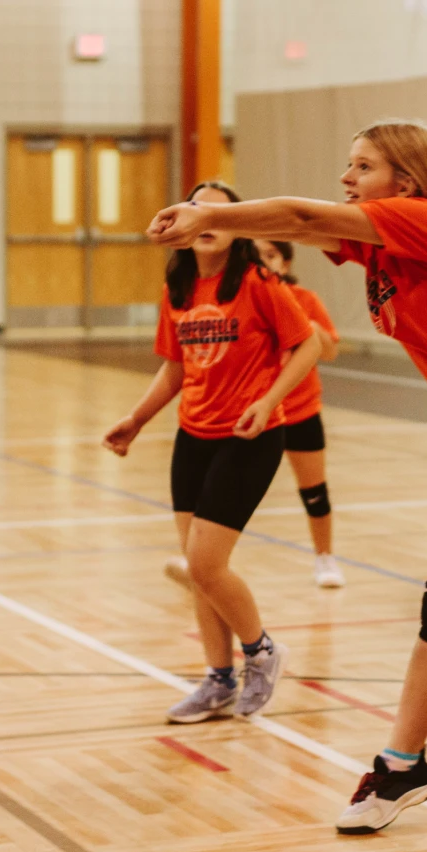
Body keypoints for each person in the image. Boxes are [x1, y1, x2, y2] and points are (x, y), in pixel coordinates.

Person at [146, 119, 427, 843]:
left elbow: (301, 218)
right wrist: (222, 228)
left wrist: (209, 215)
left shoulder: (425, 221)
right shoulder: (378, 245)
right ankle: (402, 764)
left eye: (362, 166)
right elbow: (299, 228)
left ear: (404, 180)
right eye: (348, 165)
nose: (346, 178)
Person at [104, 181, 322, 723]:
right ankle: (218, 679)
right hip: (193, 438)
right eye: (199, 209)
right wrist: (136, 419)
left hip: (249, 438)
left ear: (239, 226)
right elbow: (175, 366)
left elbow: (309, 343)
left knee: (205, 563)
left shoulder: (257, 281)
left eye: (223, 214)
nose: (209, 222)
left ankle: (262, 651)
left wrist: (269, 400)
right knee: (201, 571)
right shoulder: (178, 289)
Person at [256, 238, 347, 588]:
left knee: (314, 491)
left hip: (300, 410)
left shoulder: (305, 299)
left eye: (271, 255)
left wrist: (303, 321)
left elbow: (330, 352)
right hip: (254, 412)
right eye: (256, 256)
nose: (264, 262)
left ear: (286, 262)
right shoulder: (243, 299)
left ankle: (325, 558)